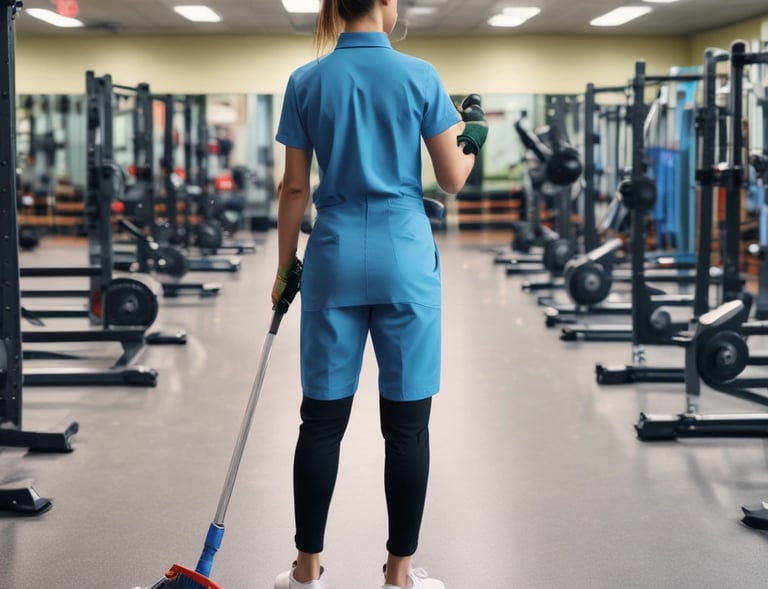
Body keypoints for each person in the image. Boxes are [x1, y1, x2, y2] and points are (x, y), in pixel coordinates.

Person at [271, 0, 487, 587]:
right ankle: (398, 575)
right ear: (387, 4)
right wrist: (474, 134)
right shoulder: (420, 75)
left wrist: (284, 265)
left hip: (333, 257)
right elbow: (452, 177)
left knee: (320, 422)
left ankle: (307, 571)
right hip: (405, 261)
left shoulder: (306, 80)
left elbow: (294, 187)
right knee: (408, 426)